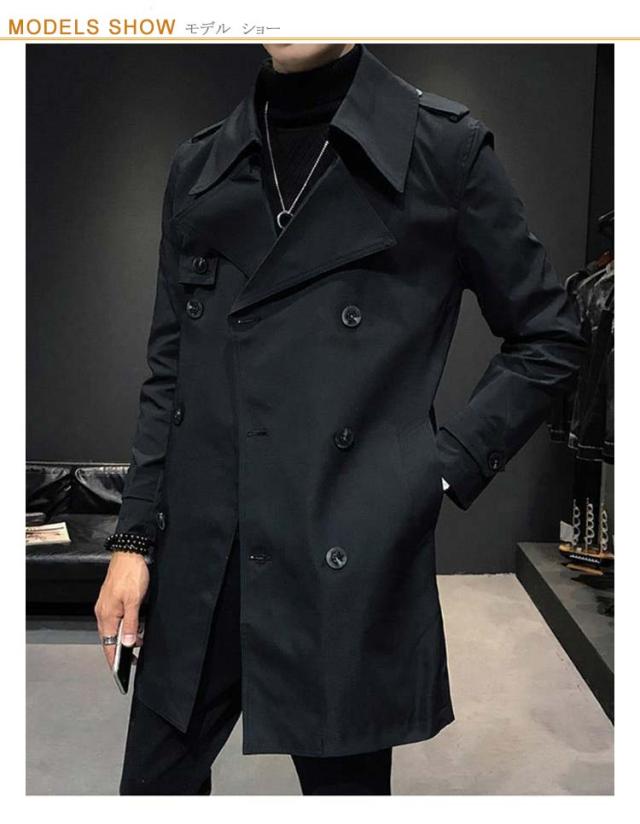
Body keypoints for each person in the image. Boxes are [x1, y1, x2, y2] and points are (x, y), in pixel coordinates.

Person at [94, 43, 586, 795]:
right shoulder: (200, 166)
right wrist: (133, 540)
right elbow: (170, 375)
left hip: (338, 555)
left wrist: (436, 466)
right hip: (200, 559)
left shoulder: (440, 150)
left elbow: (549, 334)